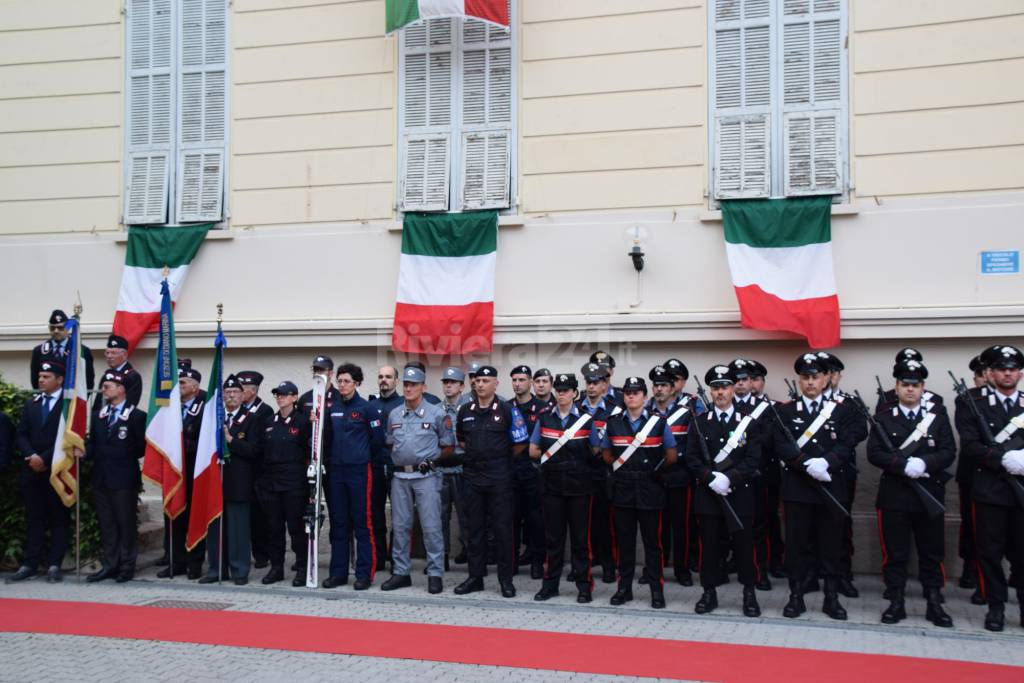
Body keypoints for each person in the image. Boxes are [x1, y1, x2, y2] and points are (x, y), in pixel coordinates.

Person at [867, 359, 955, 628]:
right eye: (905, 385)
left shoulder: (937, 417)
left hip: (928, 494)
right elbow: (874, 454)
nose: (910, 390)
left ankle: (933, 600)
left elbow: (949, 451)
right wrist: (902, 465)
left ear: (923, 388)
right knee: (895, 552)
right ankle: (896, 600)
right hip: (895, 495)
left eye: (915, 385)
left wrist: (925, 464)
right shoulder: (883, 417)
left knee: (932, 551)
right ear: (896, 387)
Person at [773, 353, 855, 621]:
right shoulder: (786, 411)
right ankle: (796, 596)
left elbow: (847, 443)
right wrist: (806, 463)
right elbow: (782, 445)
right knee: (796, 545)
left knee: (831, 545)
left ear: (825, 380)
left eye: (815, 377)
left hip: (831, 486)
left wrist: (827, 462)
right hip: (798, 488)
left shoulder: (841, 410)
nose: (810, 382)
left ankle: (831, 597)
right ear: (799, 381)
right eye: (805, 377)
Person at [957, 344, 1024, 631]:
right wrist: (1001, 458)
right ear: (991, 372)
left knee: (1023, 554)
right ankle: (995, 606)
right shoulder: (972, 402)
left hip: (1021, 490)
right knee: (989, 553)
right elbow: (971, 444)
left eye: (1012, 369)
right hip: (989, 491)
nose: (1007, 373)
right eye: (1001, 369)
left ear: (1020, 373)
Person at [685, 365, 762, 617]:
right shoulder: (699, 423)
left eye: (725, 387)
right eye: (716, 387)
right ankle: (709, 592)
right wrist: (710, 478)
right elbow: (692, 458)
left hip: (739, 494)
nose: (720, 392)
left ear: (733, 389)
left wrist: (730, 478)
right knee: (709, 547)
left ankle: (749, 592)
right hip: (708, 495)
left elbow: (753, 459)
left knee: (744, 546)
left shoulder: (747, 423)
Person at [600, 376, 676, 609]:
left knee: (653, 544)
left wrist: (653, 472)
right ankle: (624, 589)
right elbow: (605, 454)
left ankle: (656, 589)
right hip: (623, 489)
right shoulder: (613, 423)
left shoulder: (659, 423)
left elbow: (671, 455)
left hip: (650, 489)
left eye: (636, 393)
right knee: (624, 543)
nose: (631, 396)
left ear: (645, 396)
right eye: (628, 393)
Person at [453, 366, 529, 598]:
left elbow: (520, 443)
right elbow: (462, 439)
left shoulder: (508, 410)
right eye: (478, 381)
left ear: (496, 383)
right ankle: (475, 577)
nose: (481, 384)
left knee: (503, 530)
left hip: (499, 478)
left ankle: (505, 580)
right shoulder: (465, 410)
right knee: (474, 530)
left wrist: (497, 459)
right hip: (473, 477)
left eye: (486, 380)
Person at [381, 366, 455, 594]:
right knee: (401, 527)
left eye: (414, 384)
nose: (409, 388)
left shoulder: (437, 414)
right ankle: (401, 572)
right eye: (406, 384)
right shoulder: (394, 414)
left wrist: (432, 461)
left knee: (431, 527)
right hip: (400, 476)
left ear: (423, 387)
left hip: (426, 477)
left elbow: (448, 446)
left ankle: (435, 574)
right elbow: (390, 442)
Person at [530, 373, 595, 603]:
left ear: (575, 393)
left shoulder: (587, 420)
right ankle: (550, 585)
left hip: (579, 487)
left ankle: (584, 586)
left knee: (580, 540)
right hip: (552, 486)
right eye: (558, 389)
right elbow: (533, 450)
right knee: (553, 540)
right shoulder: (545, 418)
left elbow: (596, 451)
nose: (561, 393)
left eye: (566, 390)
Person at [321, 363, 385, 590]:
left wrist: (361, 456)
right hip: (337, 471)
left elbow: (377, 441)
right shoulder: (333, 408)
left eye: (347, 381)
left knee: (362, 523)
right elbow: (326, 438)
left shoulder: (367, 409)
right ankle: (338, 573)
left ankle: (364, 574)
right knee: (339, 523)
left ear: (357, 383)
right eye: (339, 381)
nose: (342, 385)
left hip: (359, 471)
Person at [8, 361, 70, 583]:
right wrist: (32, 455)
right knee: (35, 518)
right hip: (31, 469)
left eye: (46, 376)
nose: (41, 380)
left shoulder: (68, 404)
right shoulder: (32, 403)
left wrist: (44, 458)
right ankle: (30, 563)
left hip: (56, 469)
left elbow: (67, 438)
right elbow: (21, 433)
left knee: (58, 518)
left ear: (59, 379)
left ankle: (54, 564)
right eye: (40, 376)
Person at [200, 374, 264, 585]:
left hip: (239, 482)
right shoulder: (213, 419)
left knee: (238, 530)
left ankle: (239, 570)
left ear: (243, 395)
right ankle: (216, 568)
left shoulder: (251, 419)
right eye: (227, 393)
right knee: (215, 528)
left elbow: (255, 451)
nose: (230, 396)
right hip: (215, 481)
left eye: (235, 392)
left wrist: (231, 440)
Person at [84, 370, 147, 584]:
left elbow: (140, 447)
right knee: (107, 524)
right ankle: (110, 565)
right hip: (101, 478)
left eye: (108, 385)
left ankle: (127, 565)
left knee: (125, 523)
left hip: (124, 479)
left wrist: (120, 456)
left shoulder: (136, 416)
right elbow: (92, 444)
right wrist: (83, 451)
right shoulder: (98, 416)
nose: (104, 389)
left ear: (121, 389)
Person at [258, 381, 310, 587]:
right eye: (277, 395)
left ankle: (302, 568)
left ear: (295, 397)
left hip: (294, 484)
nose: (280, 398)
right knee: (274, 528)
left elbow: (309, 453)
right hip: (272, 484)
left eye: (284, 394)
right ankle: (276, 567)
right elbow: (263, 453)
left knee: (296, 529)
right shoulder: (270, 421)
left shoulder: (304, 422)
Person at [647, 365, 695, 587]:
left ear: (673, 387)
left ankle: (682, 569)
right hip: (652, 478)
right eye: (656, 385)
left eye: (664, 385)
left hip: (678, 477)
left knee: (680, 526)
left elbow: (692, 445)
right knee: (654, 527)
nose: (659, 389)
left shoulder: (686, 412)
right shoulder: (645, 410)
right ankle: (654, 569)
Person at [158, 365, 206, 579]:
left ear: (195, 388)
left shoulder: (204, 409)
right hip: (175, 472)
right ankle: (176, 561)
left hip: (195, 472)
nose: (180, 386)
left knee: (194, 519)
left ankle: (194, 563)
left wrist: (181, 444)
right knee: (174, 518)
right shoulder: (170, 409)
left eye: (184, 382)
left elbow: (205, 443)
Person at [577, 361, 622, 584]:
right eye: (588, 382)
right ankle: (582, 566)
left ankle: (608, 565)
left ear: (605, 385)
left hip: (605, 474)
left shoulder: (615, 410)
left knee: (605, 524)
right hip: (580, 472)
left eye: (596, 382)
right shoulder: (576, 408)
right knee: (580, 523)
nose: (592, 386)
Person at [508, 364, 545, 580]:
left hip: (533, 472)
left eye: (522, 379)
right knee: (510, 519)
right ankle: (511, 562)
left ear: (530, 382)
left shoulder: (541, 409)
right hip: (510, 472)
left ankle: (537, 562)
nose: (517, 384)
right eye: (514, 380)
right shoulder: (505, 407)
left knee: (536, 520)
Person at [236, 371, 274, 570]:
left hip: (258, 472)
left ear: (252, 390)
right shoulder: (235, 409)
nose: (238, 393)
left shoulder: (264, 411)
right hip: (239, 471)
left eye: (242, 389)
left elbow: (259, 445)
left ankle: (261, 554)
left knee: (259, 516)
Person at [369, 364, 402, 573]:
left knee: (400, 517)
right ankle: (379, 558)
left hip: (397, 467)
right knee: (375, 515)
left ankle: (397, 560)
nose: (384, 380)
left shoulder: (403, 404)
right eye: (381, 376)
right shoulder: (370, 406)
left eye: (388, 377)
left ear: (396, 381)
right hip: (374, 466)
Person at [439, 366, 471, 566]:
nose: (449, 386)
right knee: (440, 516)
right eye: (446, 382)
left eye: (453, 382)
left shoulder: (469, 408)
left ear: (461, 386)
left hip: (462, 469)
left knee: (466, 516)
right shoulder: (437, 409)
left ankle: (469, 553)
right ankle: (441, 556)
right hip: (441, 470)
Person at [30, 309, 94, 392]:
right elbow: (35, 379)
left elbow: (88, 381)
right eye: (52, 328)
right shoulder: (39, 351)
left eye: (60, 328)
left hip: (71, 401)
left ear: (67, 328)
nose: (56, 331)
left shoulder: (81, 351)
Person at [99, 334, 143, 409]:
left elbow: (130, 404)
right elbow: (98, 402)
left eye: (113, 353)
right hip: (102, 418)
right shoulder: (107, 375)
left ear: (124, 355)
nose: (109, 356)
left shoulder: (133, 376)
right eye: (107, 353)